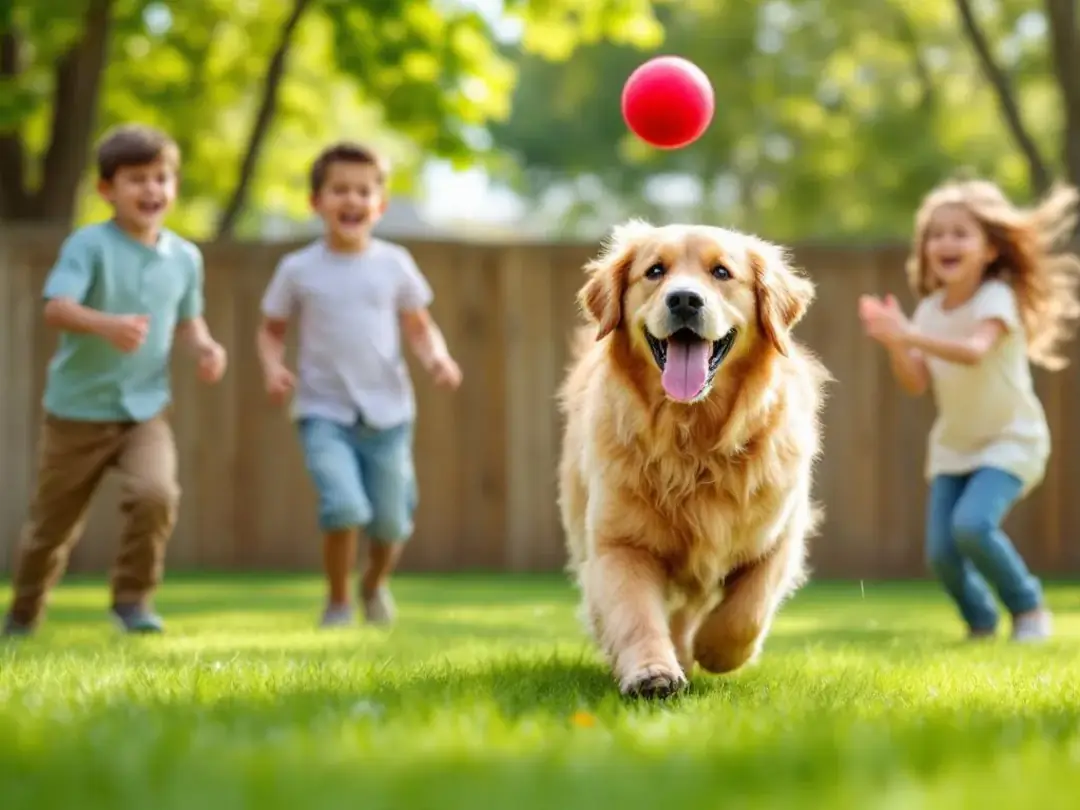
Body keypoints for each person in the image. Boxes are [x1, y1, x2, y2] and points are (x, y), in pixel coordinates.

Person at [2, 124, 228, 636]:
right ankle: (23, 614)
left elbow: (188, 320)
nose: (151, 190)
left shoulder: (185, 258)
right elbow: (57, 308)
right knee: (51, 527)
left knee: (156, 495)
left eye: (161, 178)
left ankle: (132, 601)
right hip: (76, 413)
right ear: (107, 190)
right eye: (136, 179)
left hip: (144, 408)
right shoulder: (89, 245)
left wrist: (206, 349)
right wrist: (107, 325)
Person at [859, 177, 1080, 643]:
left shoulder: (995, 299)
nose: (946, 242)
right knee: (941, 551)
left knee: (972, 526)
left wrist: (909, 336)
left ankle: (1028, 606)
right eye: (937, 234)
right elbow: (916, 381)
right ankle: (981, 622)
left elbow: (975, 350)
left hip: (1011, 439)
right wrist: (897, 344)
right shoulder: (930, 310)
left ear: (990, 249)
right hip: (955, 446)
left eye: (960, 233)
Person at [256, 141, 462, 628]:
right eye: (339, 190)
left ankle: (373, 585)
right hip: (323, 411)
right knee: (344, 506)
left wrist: (436, 357)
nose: (351, 200)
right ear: (316, 202)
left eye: (363, 191)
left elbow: (417, 324)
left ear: (380, 204)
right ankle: (338, 601)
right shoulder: (298, 269)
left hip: (388, 414)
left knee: (391, 521)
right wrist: (272, 366)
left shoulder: (394, 263)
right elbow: (271, 329)